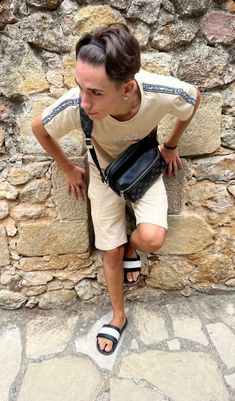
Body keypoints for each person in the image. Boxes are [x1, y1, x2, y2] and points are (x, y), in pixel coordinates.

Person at [32, 23, 200, 355]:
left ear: (126, 88)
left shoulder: (158, 91)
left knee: (152, 237)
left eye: (95, 93)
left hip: (144, 166)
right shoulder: (77, 106)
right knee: (109, 250)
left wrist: (170, 145)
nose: (84, 102)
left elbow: (193, 99)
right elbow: (39, 127)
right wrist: (67, 167)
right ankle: (119, 316)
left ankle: (131, 250)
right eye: (80, 86)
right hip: (101, 172)